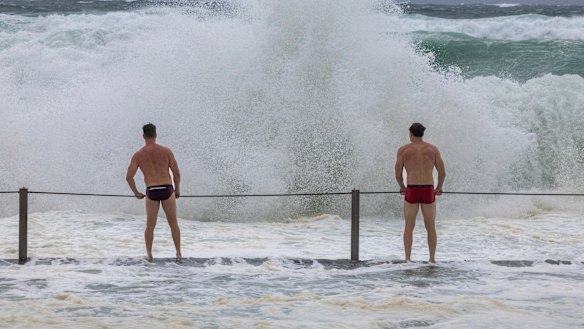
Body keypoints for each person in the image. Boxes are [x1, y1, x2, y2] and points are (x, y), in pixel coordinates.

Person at [126, 123, 182, 263]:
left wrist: (136, 193)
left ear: (143, 136)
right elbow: (176, 173)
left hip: (151, 191)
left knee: (150, 226)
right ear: (156, 135)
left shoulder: (138, 155)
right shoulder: (166, 151)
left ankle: (150, 255)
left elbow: (129, 177)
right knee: (173, 223)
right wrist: (177, 189)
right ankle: (178, 253)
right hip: (167, 190)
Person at [394, 123, 445, 263]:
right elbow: (442, 173)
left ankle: (408, 259)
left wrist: (402, 187)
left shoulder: (404, 150)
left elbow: (398, 174)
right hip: (428, 189)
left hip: (412, 189)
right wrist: (439, 188)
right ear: (423, 133)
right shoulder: (433, 149)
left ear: (411, 134)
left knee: (409, 227)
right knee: (431, 227)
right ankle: (432, 259)